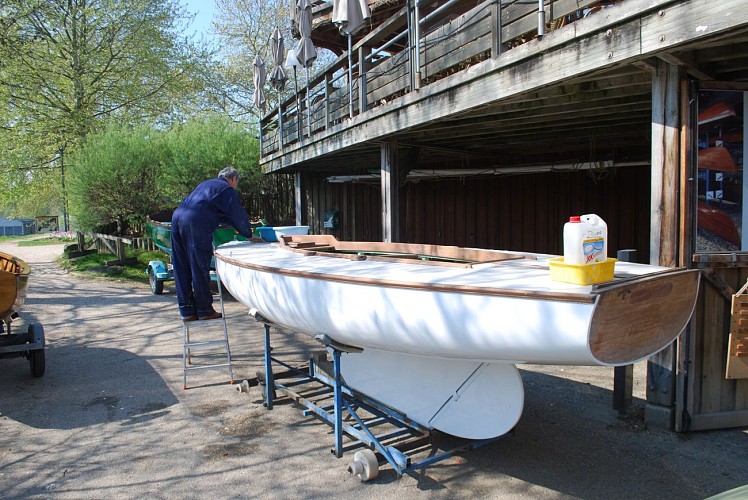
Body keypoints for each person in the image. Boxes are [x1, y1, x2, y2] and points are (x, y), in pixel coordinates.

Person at [170, 167, 257, 321]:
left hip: (177, 217)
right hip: (195, 222)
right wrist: (249, 234)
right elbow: (236, 214)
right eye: (237, 182)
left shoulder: (207, 185)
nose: (235, 186)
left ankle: (187, 311)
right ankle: (204, 310)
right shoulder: (226, 189)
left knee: (181, 265)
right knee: (198, 266)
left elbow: (216, 212)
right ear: (232, 179)